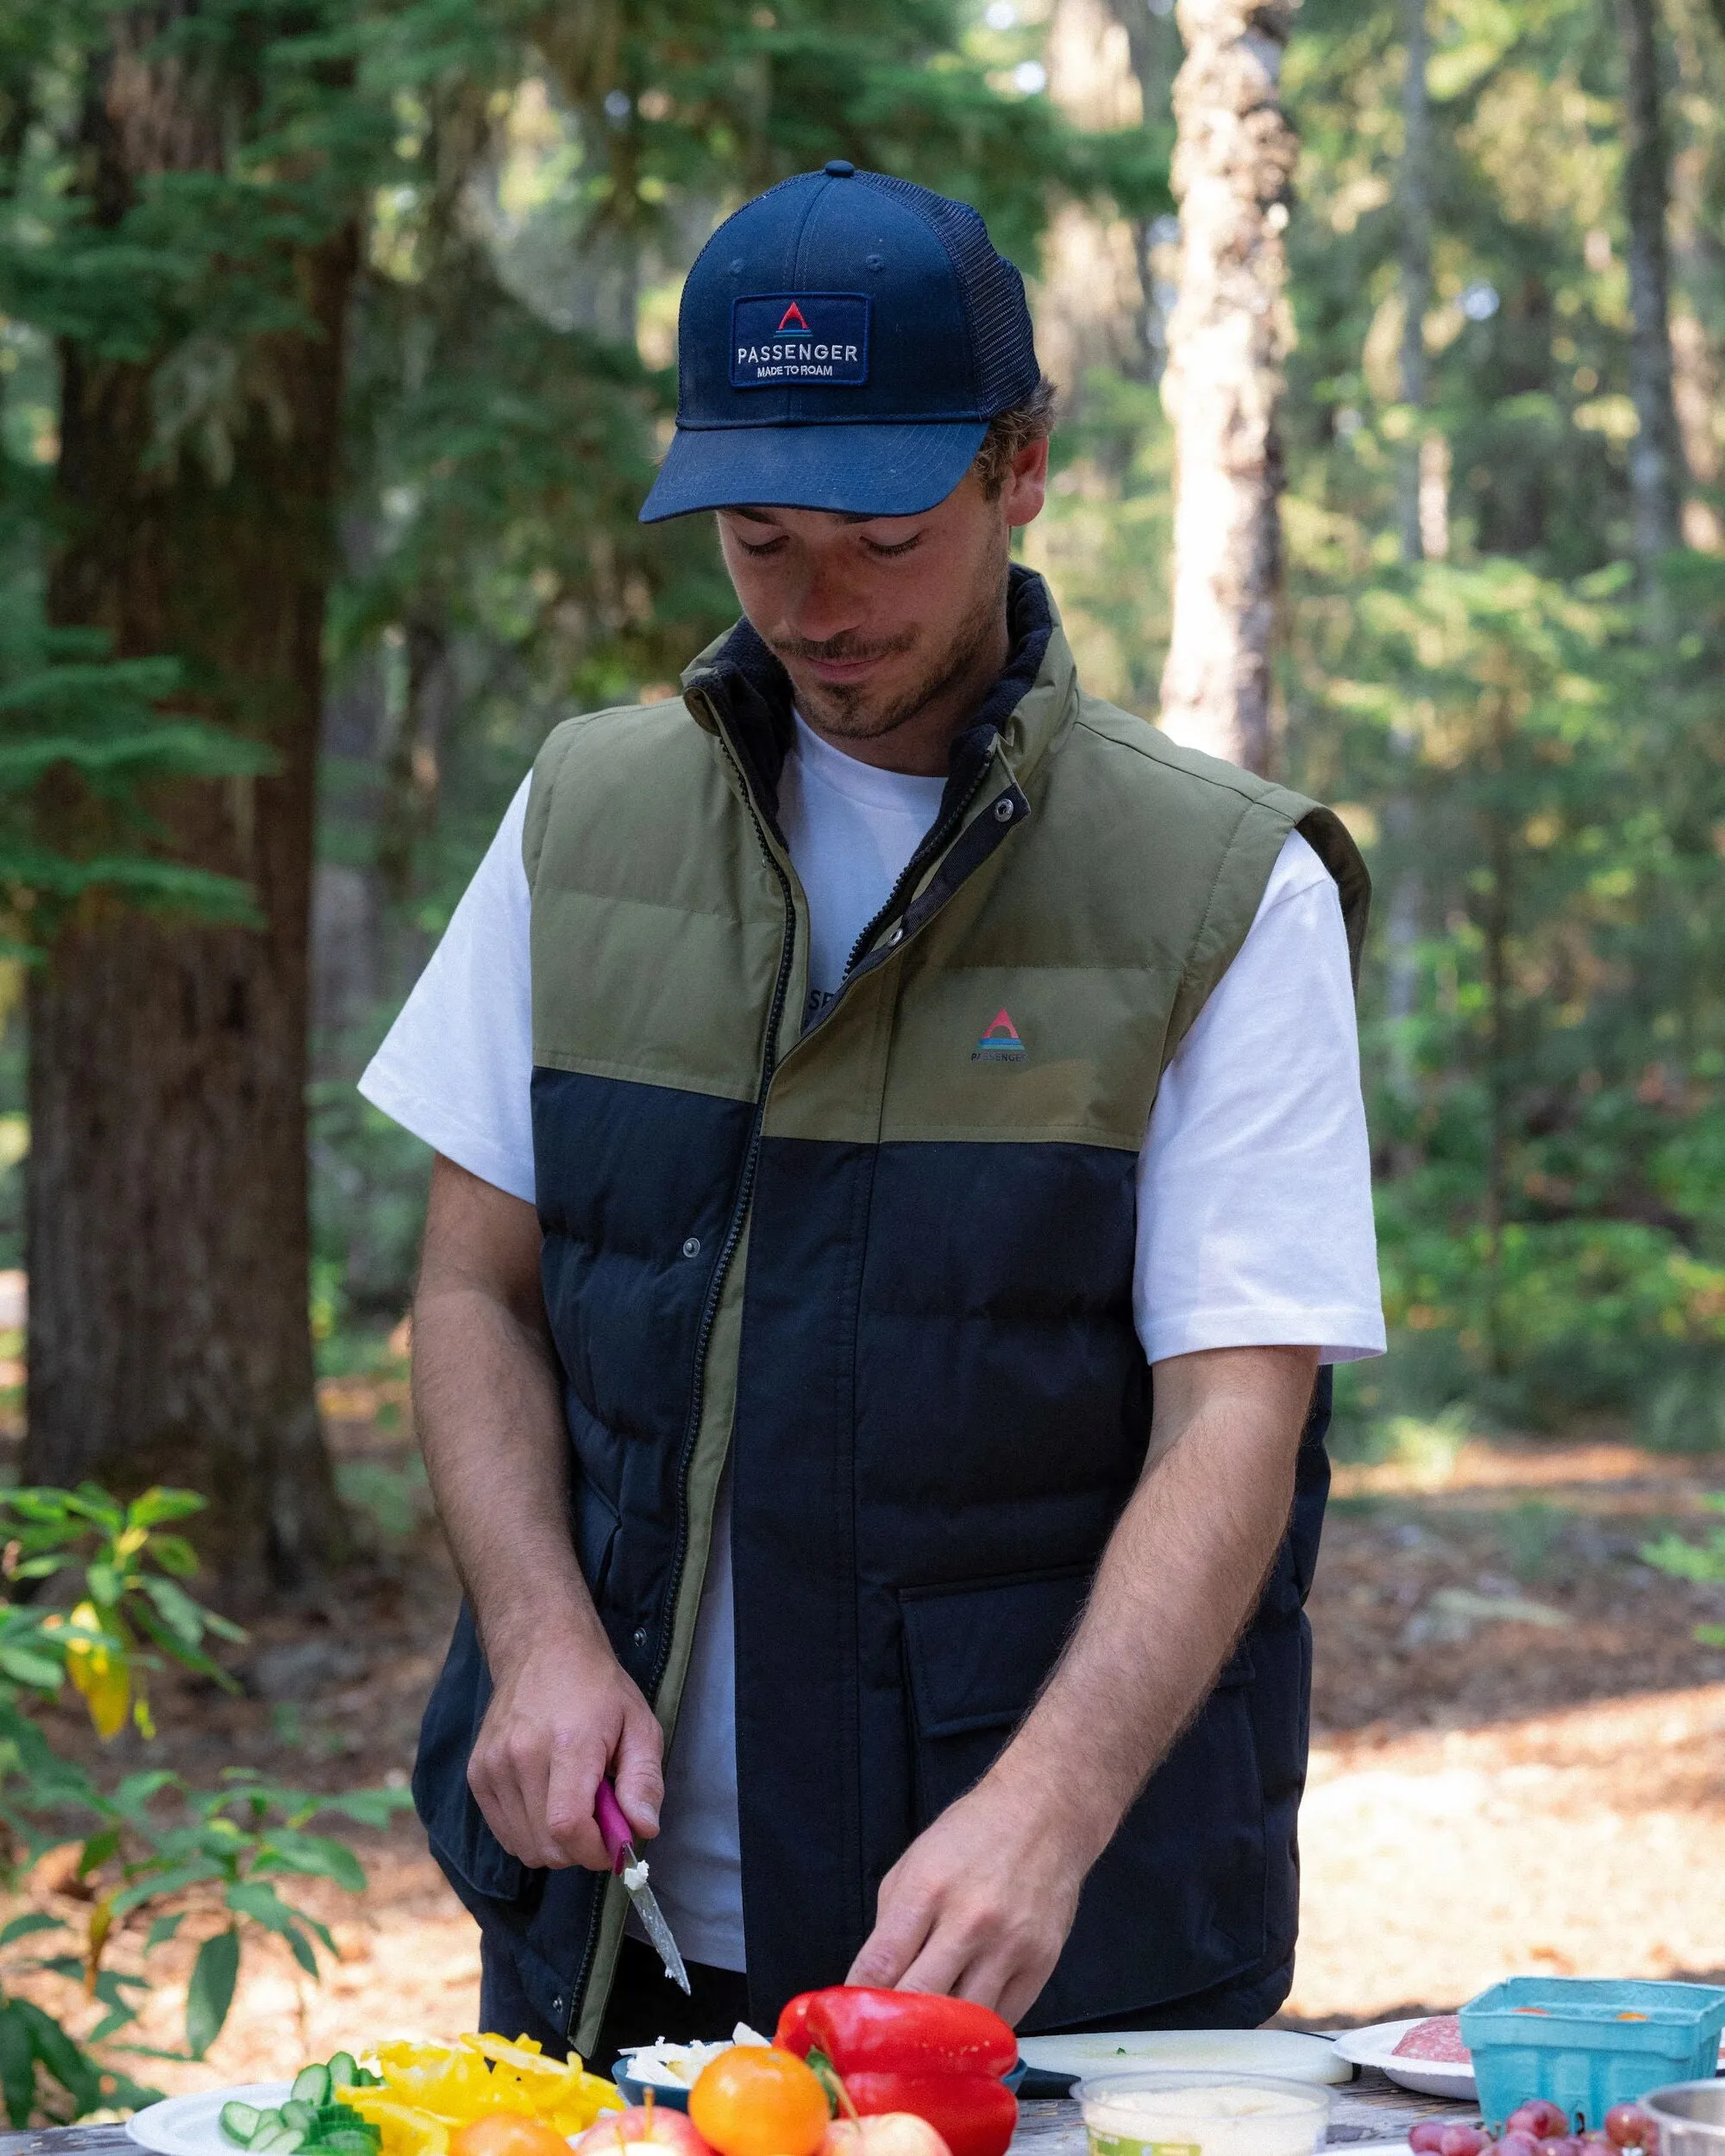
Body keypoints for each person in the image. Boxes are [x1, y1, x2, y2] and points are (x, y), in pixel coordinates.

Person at [360, 161, 1384, 2071]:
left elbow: (1237, 1408)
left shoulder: (1223, 888)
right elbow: (474, 1291)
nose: (820, 608)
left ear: (1021, 466)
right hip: (612, 1935)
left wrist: (1052, 1804)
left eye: (884, 538)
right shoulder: (581, 817)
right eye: (758, 540)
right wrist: (540, 1633)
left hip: (1044, 1951)